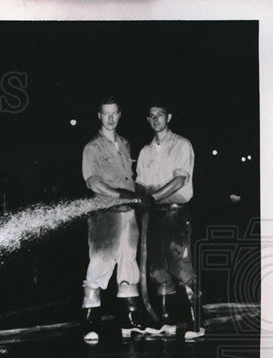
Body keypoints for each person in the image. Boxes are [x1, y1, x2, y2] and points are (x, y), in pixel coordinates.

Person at [80, 97, 146, 343]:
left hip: (128, 213)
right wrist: (121, 195)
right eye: (105, 114)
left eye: (114, 113)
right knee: (99, 265)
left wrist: (137, 195)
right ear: (99, 115)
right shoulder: (92, 147)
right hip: (105, 214)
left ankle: (129, 321)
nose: (110, 118)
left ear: (120, 115)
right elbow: (93, 181)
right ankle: (89, 324)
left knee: (129, 262)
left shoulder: (125, 143)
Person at [135, 102, 202, 338]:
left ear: (169, 117)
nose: (155, 119)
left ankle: (196, 323)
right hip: (152, 215)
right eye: (151, 116)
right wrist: (139, 197)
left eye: (160, 115)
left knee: (180, 267)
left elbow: (179, 181)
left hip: (175, 212)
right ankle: (166, 320)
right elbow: (140, 182)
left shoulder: (182, 145)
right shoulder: (145, 151)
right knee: (156, 270)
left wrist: (152, 197)